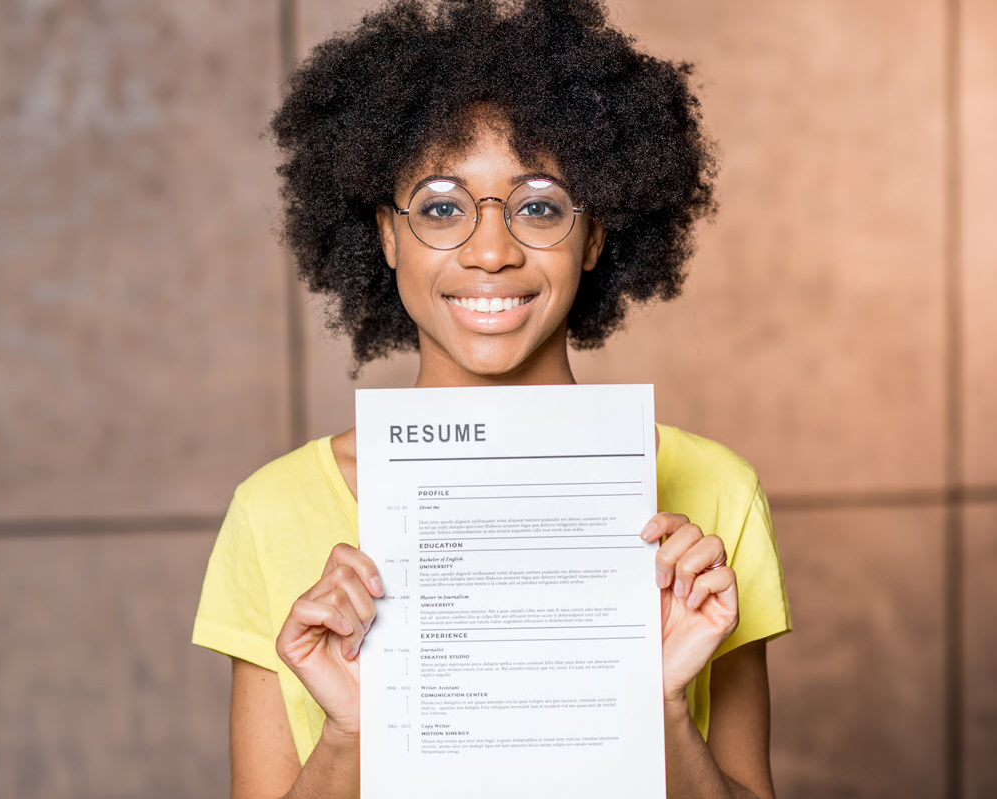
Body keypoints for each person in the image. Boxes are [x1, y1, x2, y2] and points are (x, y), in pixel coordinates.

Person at [193, 1, 791, 797]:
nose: (491, 250)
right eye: (442, 206)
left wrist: (660, 706)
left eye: (539, 204)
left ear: (596, 234)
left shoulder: (716, 493)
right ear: (387, 235)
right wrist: (351, 737)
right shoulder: (275, 511)